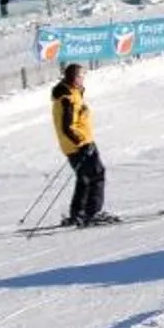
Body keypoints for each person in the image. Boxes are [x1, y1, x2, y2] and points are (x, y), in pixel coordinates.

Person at [51, 64, 114, 226]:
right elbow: (67, 126)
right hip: (80, 145)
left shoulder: (70, 94)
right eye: (81, 76)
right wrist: (81, 143)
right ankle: (92, 212)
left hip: (77, 144)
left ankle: (78, 214)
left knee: (84, 178)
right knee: (96, 174)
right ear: (74, 78)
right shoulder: (68, 98)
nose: (83, 79)